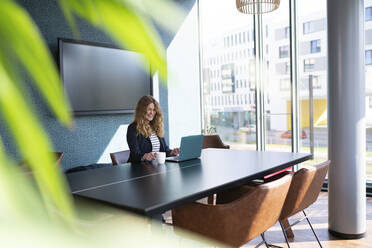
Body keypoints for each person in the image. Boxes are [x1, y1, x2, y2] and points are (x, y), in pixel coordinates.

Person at [127, 95, 179, 162]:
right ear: (142, 110)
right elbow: (135, 154)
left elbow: (164, 150)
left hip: (154, 167)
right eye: (149, 109)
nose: (152, 112)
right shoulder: (133, 128)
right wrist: (145, 156)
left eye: (154, 110)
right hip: (139, 169)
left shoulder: (156, 126)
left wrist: (172, 152)